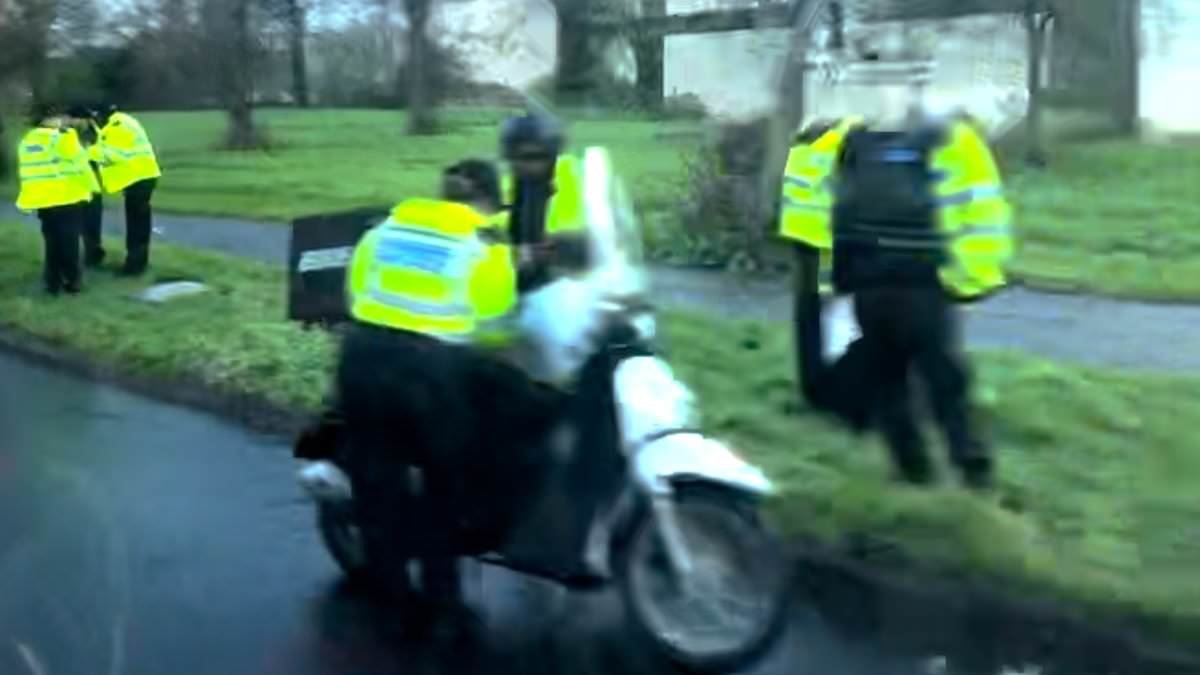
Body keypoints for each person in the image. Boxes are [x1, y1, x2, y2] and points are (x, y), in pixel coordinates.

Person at [336, 158, 564, 641]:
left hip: (361, 361)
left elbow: (357, 292)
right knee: (445, 483)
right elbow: (499, 331)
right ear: (485, 200)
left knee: (377, 481)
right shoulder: (483, 248)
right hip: (428, 377)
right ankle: (443, 600)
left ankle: (391, 599)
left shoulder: (384, 230)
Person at [818, 90, 1014, 489]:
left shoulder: (853, 139)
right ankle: (974, 473)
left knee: (888, 383)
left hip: (867, 288)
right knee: (947, 385)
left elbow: (834, 214)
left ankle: (913, 473)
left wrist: (836, 285)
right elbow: (984, 214)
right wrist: (969, 283)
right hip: (925, 288)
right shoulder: (953, 139)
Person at [496, 112, 590, 291]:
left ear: (553, 153)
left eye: (535, 157)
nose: (523, 165)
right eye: (515, 157)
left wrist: (565, 246)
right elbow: (489, 234)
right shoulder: (507, 185)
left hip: (571, 282)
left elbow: (603, 237)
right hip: (518, 283)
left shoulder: (577, 180)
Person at [15, 103, 99, 296]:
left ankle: (52, 283)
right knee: (69, 243)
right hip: (67, 197)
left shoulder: (28, 140)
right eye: (60, 117)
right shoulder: (62, 137)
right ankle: (72, 282)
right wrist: (90, 190)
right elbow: (80, 164)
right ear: (50, 118)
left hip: (43, 199)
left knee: (52, 242)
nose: (63, 120)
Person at [88, 104, 161, 276]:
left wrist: (87, 153)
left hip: (138, 178)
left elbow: (114, 155)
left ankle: (134, 266)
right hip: (141, 177)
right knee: (139, 223)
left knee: (137, 224)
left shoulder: (117, 127)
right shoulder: (122, 122)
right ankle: (138, 262)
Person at [67, 104, 107, 267]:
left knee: (92, 221)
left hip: (92, 183)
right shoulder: (67, 135)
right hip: (74, 185)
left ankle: (93, 253)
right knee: (76, 223)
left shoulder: (95, 132)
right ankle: (77, 256)